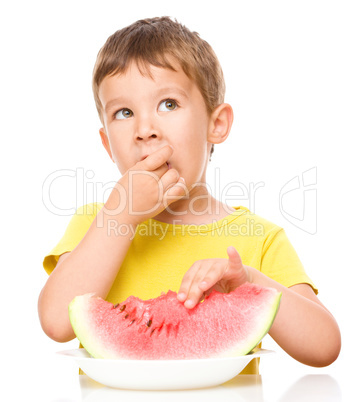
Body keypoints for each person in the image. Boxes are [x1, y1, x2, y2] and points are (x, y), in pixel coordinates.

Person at [38, 16, 340, 373]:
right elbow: (57, 322)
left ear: (216, 124)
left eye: (168, 104)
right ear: (107, 143)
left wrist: (251, 282)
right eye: (123, 112)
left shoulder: (258, 238)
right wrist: (120, 215)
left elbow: (325, 346)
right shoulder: (96, 222)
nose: (145, 130)